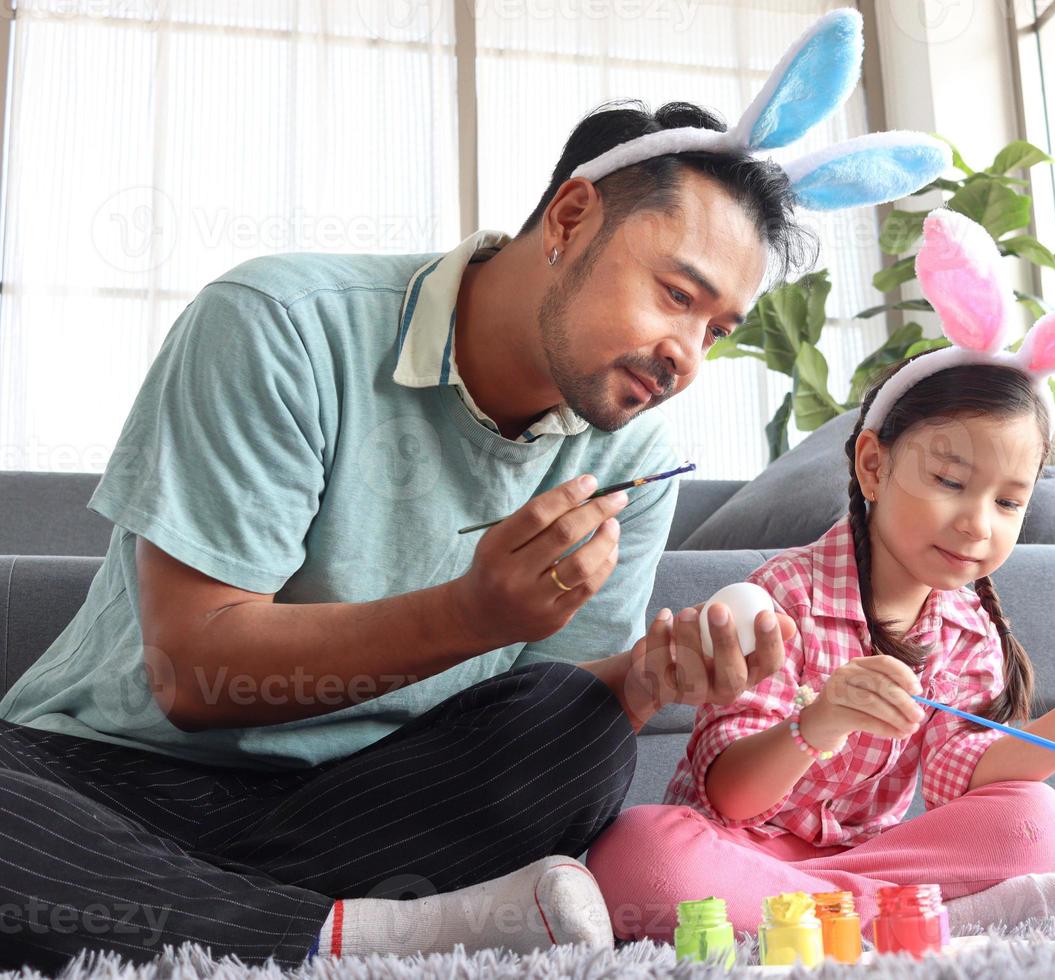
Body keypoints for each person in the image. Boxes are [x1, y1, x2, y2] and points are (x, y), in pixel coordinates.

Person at [0, 9, 949, 969]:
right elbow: (194, 677)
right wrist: (473, 612)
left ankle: (186, 907)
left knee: (580, 734)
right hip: (117, 777)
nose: (686, 356)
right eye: (676, 295)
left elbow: (551, 702)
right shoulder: (280, 325)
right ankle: (341, 932)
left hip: (370, 807)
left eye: (718, 330)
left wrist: (644, 679)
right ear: (571, 218)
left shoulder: (633, 452)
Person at [588, 210, 1055, 939]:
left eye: (1009, 501)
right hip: (737, 850)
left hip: (861, 860)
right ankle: (902, 917)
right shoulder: (785, 595)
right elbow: (731, 795)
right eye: (950, 481)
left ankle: (823, 917)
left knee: (1037, 820)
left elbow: (967, 779)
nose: (980, 522)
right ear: (873, 465)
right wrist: (819, 723)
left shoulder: (967, 628)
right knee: (641, 853)